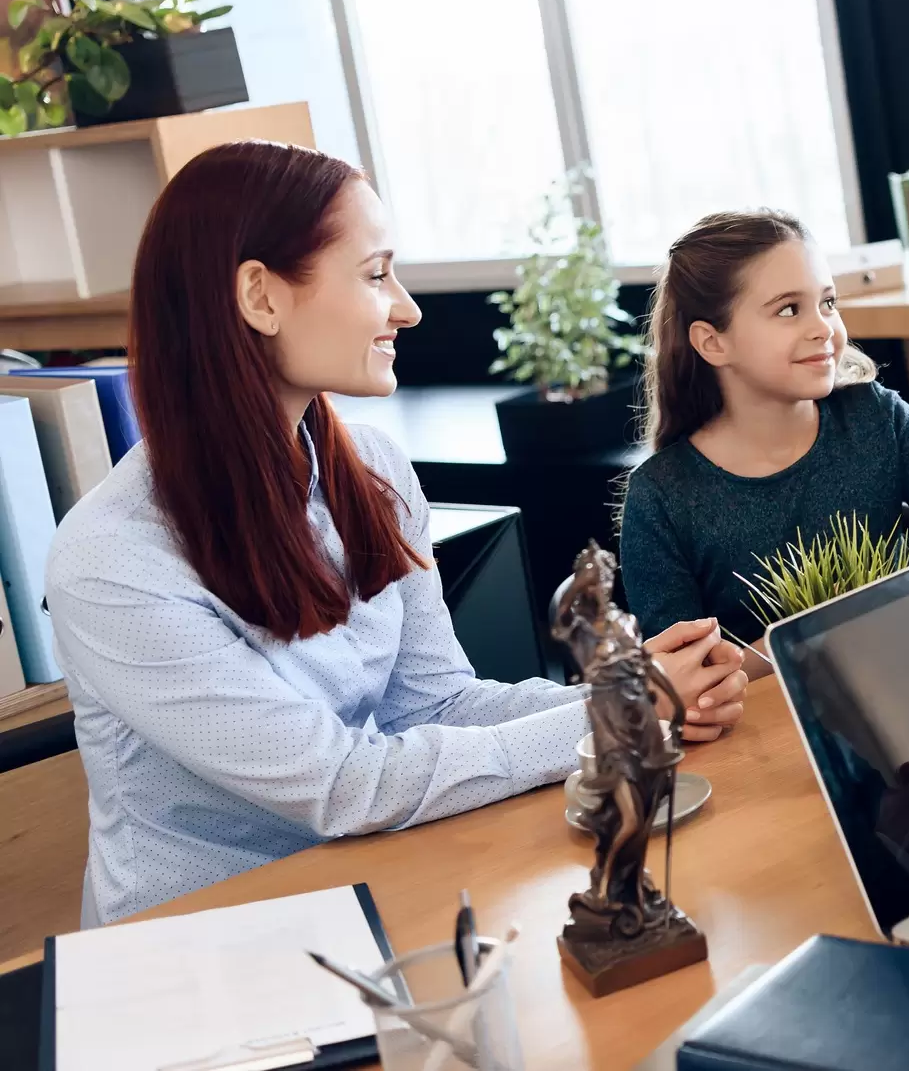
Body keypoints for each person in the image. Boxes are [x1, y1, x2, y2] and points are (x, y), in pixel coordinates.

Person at [45, 142, 748, 926]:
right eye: (376, 274)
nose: (408, 307)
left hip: (376, 885)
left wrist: (621, 697)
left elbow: (434, 704)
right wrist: (618, 712)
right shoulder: (112, 558)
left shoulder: (372, 472)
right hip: (203, 954)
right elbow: (346, 784)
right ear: (260, 296)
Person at [619, 210, 909, 649]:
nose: (823, 328)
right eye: (789, 309)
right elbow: (681, 674)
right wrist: (807, 642)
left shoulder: (878, 418)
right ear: (713, 342)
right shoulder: (660, 496)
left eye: (828, 303)